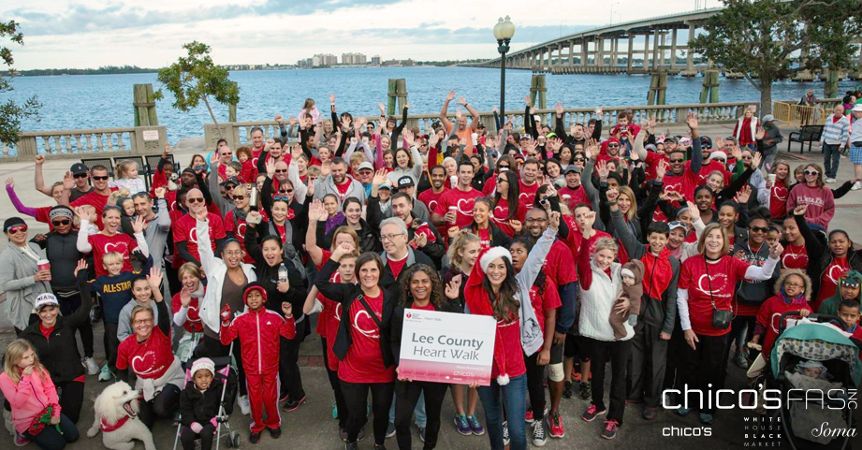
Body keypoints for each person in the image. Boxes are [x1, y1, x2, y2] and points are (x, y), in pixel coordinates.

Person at [463, 211, 558, 450]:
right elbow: (467, 334)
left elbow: (536, 257)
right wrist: (471, 370)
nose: (496, 271)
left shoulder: (519, 285)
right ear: (484, 269)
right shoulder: (474, 296)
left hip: (515, 368)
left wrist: (551, 231)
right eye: (491, 266)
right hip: (485, 369)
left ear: (508, 269)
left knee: (516, 430)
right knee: (494, 422)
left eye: (501, 266)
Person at [676, 223, 782, 425]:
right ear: (703, 240)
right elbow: (681, 297)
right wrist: (686, 328)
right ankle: (687, 400)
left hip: (718, 331)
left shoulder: (732, 263)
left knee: (713, 369)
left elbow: (763, 274)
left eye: (718, 237)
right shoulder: (691, 263)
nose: (713, 240)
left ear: (724, 241)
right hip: (694, 329)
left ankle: (707, 406)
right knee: (689, 366)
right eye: (710, 236)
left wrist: (773, 257)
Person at [316, 248, 398, 450]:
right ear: (357, 273)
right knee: (356, 415)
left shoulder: (391, 297)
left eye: (373, 270)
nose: (369, 274)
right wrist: (335, 256)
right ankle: (351, 440)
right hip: (352, 370)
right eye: (364, 270)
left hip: (383, 370)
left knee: (382, 413)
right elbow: (320, 283)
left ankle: (379, 443)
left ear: (380, 272)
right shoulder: (348, 293)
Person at [389, 264, 461, 450]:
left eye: (424, 281)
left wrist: (454, 301)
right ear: (408, 285)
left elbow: (460, 331)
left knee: (433, 417)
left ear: (432, 284)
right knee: (401, 420)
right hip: (409, 374)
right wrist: (399, 363)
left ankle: (429, 447)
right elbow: (394, 341)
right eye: (415, 282)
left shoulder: (443, 308)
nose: (420, 286)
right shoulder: (400, 311)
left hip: (436, 374)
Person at [220, 283, 296, 443]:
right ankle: (257, 426)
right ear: (245, 299)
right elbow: (226, 340)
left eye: (257, 295)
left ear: (263, 298)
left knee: (270, 397)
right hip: (251, 369)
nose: (253, 299)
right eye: (250, 296)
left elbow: (290, 334)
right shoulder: (240, 320)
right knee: (254, 399)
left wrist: (289, 316)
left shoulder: (274, 317)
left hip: (271, 368)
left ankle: (274, 423)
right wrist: (225, 322)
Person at [20, 261, 90, 425]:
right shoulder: (29, 332)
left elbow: (86, 307)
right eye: (43, 311)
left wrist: (80, 280)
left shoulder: (67, 323)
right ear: (37, 313)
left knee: (69, 419)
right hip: (46, 378)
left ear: (58, 309)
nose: (48, 314)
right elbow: (11, 354)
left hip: (72, 375)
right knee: (45, 417)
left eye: (52, 309)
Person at [116, 268, 184, 429]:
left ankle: (180, 402)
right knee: (144, 422)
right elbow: (121, 371)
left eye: (147, 320)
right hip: (144, 383)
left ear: (153, 321)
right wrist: (124, 395)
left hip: (168, 377)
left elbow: (164, 316)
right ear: (132, 324)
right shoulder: (126, 345)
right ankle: (154, 401)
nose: (143, 324)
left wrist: (155, 289)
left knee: (161, 409)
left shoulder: (160, 333)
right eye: (138, 322)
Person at [0, 339, 80, 449]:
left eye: (32, 355)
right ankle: (22, 433)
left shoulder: (38, 367)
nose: (31, 359)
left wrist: (55, 412)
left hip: (47, 411)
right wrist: (25, 379)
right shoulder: (4, 378)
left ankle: (47, 429)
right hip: (29, 420)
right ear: (14, 360)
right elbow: (18, 403)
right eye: (26, 357)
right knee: (58, 445)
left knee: (73, 436)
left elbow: (50, 389)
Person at [441, 233, 484, 436]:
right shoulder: (450, 275)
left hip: (479, 329)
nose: (477, 254)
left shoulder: (484, 272)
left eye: (479, 250)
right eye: (472, 251)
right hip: (457, 329)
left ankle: (471, 412)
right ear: (460, 252)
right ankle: (460, 412)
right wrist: (454, 298)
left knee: (476, 374)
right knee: (458, 374)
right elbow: (446, 306)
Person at [0, 217, 52, 334]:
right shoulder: (7, 255)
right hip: (26, 307)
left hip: (44, 302)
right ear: (6, 234)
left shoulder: (34, 246)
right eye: (13, 230)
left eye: (22, 228)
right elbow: (5, 285)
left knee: (47, 339)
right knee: (30, 340)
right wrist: (34, 278)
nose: (19, 232)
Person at [748, 270, 813, 361]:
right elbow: (761, 322)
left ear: (802, 289)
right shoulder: (771, 302)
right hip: (770, 346)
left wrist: (807, 316)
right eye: (788, 283)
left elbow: (809, 331)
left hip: (792, 351)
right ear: (783, 285)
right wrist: (755, 339)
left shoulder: (806, 308)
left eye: (795, 284)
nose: (791, 286)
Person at [76, 205, 149, 277]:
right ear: (103, 220)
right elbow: (82, 248)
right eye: (110, 217)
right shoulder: (94, 238)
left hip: (128, 281)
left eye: (117, 218)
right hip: (105, 283)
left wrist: (139, 233)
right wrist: (84, 223)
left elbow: (144, 255)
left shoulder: (125, 237)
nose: (114, 221)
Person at [179, 357, 230, 450]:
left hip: (210, 421)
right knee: (185, 436)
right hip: (193, 420)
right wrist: (191, 423)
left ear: (212, 377)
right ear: (194, 379)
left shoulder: (217, 388)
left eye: (207, 376)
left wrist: (217, 418)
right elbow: (185, 410)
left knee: (206, 434)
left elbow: (225, 405)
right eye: (199, 377)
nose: (204, 380)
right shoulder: (187, 392)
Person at [786, 163, 835, 231]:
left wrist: (816, 220)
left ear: (818, 175)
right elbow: (790, 207)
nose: (809, 174)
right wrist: (798, 217)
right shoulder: (796, 188)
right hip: (800, 225)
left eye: (813, 173)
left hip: (818, 226)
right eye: (807, 172)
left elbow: (830, 209)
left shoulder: (825, 191)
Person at [820, 104, 850, 183]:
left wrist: (842, 145)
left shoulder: (845, 120)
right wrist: (822, 140)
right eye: (837, 109)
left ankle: (833, 176)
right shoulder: (829, 117)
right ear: (834, 109)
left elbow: (845, 134)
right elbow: (825, 129)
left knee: (835, 160)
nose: (838, 111)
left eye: (840, 110)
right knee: (826, 159)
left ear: (843, 111)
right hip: (827, 141)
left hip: (837, 143)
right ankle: (828, 174)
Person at [849, 104, 862, 191]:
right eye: (856, 111)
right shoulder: (857, 121)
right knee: (857, 164)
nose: (856, 113)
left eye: (858, 111)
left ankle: (858, 182)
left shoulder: (859, 121)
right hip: (856, 143)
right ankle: (858, 181)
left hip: (858, 143)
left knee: (858, 164)